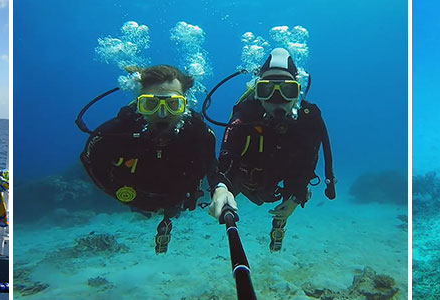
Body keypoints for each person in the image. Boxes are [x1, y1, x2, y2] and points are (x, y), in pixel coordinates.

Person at [79, 65, 225, 254]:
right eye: (150, 104)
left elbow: (211, 165)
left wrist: (220, 189)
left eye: (173, 104)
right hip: (136, 199)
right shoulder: (116, 132)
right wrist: (124, 195)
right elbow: (89, 160)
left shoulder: (199, 134)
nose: (162, 114)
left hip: (179, 197)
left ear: (185, 104)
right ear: (138, 103)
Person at [208, 48, 334, 252]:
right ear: (257, 91)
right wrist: (221, 188)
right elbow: (225, 159)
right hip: (247, 176)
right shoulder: (245, 115)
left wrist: (296, 196)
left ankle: (283, 217)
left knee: (295, 184)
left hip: (282, 175)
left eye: (288, 90)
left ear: (298, 92)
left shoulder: (309, 118)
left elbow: (308, 162)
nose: (278, 98)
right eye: (267, 90)